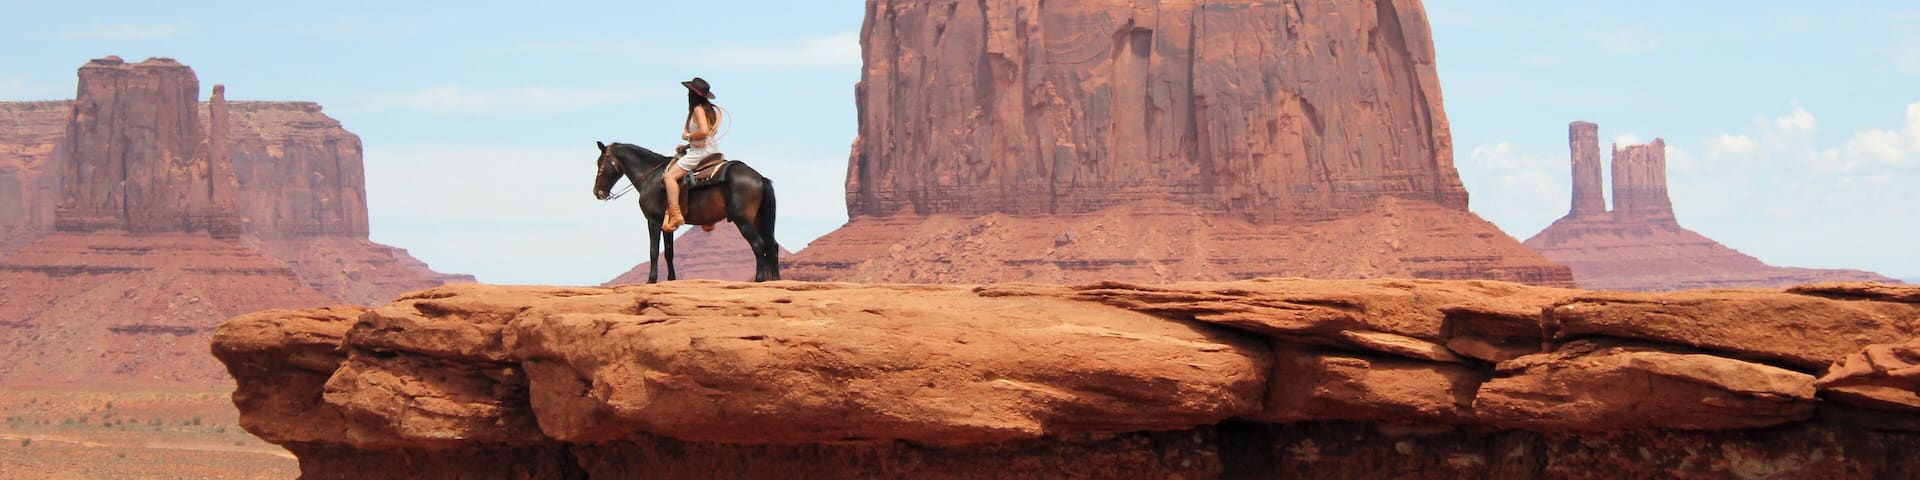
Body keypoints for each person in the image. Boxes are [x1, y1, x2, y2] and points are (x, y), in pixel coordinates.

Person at [665, 76, 721, 231]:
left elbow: (703, 132)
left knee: (669, 176)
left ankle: (675, 213)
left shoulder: (697, 110)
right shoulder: (709, 110)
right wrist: (686, 146)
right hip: (711, 150)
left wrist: (687, 136)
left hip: (701, 153)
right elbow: (707, 134)